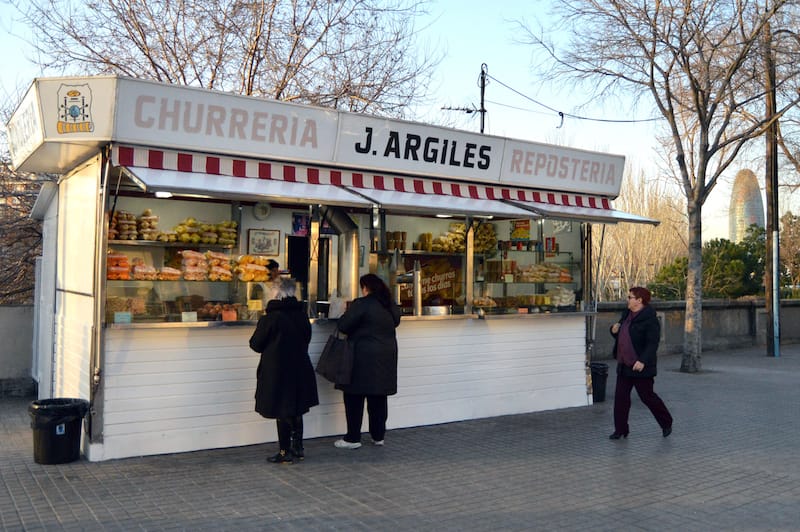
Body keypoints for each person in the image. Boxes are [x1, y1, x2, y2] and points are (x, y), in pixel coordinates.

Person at [249, 277, 319, 463]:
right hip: (300, 366)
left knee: (282, 409)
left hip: (277, 370)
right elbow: (306, 339)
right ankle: (298, 447)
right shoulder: (302, 315)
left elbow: (255, 344)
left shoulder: (271, 318)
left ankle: (284, 451)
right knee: (296, 407)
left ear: (277, 293)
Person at [333, 273, 401, 449]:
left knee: (354, 396)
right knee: (378, 397)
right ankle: (378, 436)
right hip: (386, 357)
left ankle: (353, 438)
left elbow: (343, 325)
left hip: (361, 357)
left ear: (365, 288)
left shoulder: (362, 304)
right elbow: (396, 322)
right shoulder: (389, 304)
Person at [609, 286, 673, 440]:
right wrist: (613, 330)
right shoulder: (626, 314)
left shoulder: (650, 319)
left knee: (647, 397)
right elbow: (622, 335)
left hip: (640, 366)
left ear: (639, 300)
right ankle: (621, 430)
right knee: (621, 399)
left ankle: (666, 422)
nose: (627, 299)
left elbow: (652, 343)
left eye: (630, 297)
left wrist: (642, 361)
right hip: (624, 364)